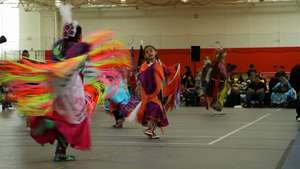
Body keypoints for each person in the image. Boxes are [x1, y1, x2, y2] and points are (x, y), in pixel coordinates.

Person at [129, 45, 180, 139]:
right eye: (147, 52)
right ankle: (150, 130)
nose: (149, 53)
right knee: (155, 108)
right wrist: (138, 87)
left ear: (156, 52)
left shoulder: (160, 64)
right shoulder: (144, 66)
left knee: (157, 112)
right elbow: (141, 78)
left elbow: (167, 72)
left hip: (158, 92)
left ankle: (151, 131)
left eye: (151, 51)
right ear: (145, 55)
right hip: (148, 93)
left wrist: (175, 69)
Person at [205, 48, 228, 114]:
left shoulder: (220, 62)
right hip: (216, 81)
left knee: (217, 95)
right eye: (224, 53)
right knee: (213, 94)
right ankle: (214, 106)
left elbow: (224, 73)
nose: (225, 55)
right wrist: (220, 52)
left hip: (219, 81)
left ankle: (216, 106)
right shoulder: (217, 62)